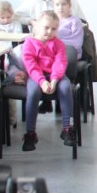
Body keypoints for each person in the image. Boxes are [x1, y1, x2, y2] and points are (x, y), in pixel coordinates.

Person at [21, 11, 76, 150]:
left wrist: (54, 80)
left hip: (56, 76)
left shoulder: (59, 44)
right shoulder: (29, 43)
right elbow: (31, 66)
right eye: (46, 27)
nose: (50, 31)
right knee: (33, 92)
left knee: (65, 87)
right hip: (37, 76)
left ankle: (67, 128)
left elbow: (60, 63)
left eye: (54, 29)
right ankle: (30, 133)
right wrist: (42, 82)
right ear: (38, 25)